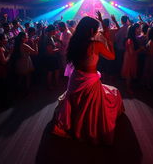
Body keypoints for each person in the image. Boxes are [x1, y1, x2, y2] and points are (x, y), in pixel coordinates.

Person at [52, 15, 124, 145]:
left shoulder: (74, 42)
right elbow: (112, 57)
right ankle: (87, 128)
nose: (97, 31)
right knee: (108, 97)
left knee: (77, 102)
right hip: (90, 81)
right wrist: (109, 41)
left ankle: (74, 123)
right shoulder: (96, 45)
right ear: (91, 31)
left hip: (76, 78)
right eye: (96, 29)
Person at [121, 23, 143, 94]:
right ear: (133, 31)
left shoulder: (129, 39)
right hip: (130, 58)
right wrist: (140, 49)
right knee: (129, 74)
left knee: (129, 73)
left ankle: (128, 87)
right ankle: (128, 89)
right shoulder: (130, 40)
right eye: (135, 30)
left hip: (129, 57)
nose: (137, 31)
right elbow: (132, 52)